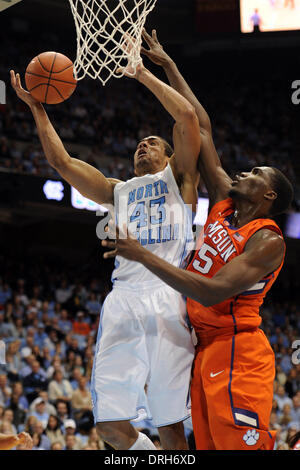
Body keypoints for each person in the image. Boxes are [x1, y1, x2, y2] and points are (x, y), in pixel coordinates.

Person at [102, 28, 294, 450]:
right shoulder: (226, 203)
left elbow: (212, 292)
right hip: (203, 346)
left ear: (269, 195)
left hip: (237, 348)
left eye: (256, 173)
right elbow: (201, 128)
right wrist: (167, 64)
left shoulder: (268, 240)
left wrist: (141, 255)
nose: (244, 172)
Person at [10, 41, 201, 451]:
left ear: (170, 156)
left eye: (152, 141)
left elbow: (186, 116)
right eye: (140, 142)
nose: (143, 145)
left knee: (170, 426)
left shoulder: (181, 181)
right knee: (111, 426)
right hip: (123, 298)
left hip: (169, 296)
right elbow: (62, 163)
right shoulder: (117, 190)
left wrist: (143, 73)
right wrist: (38, 109)